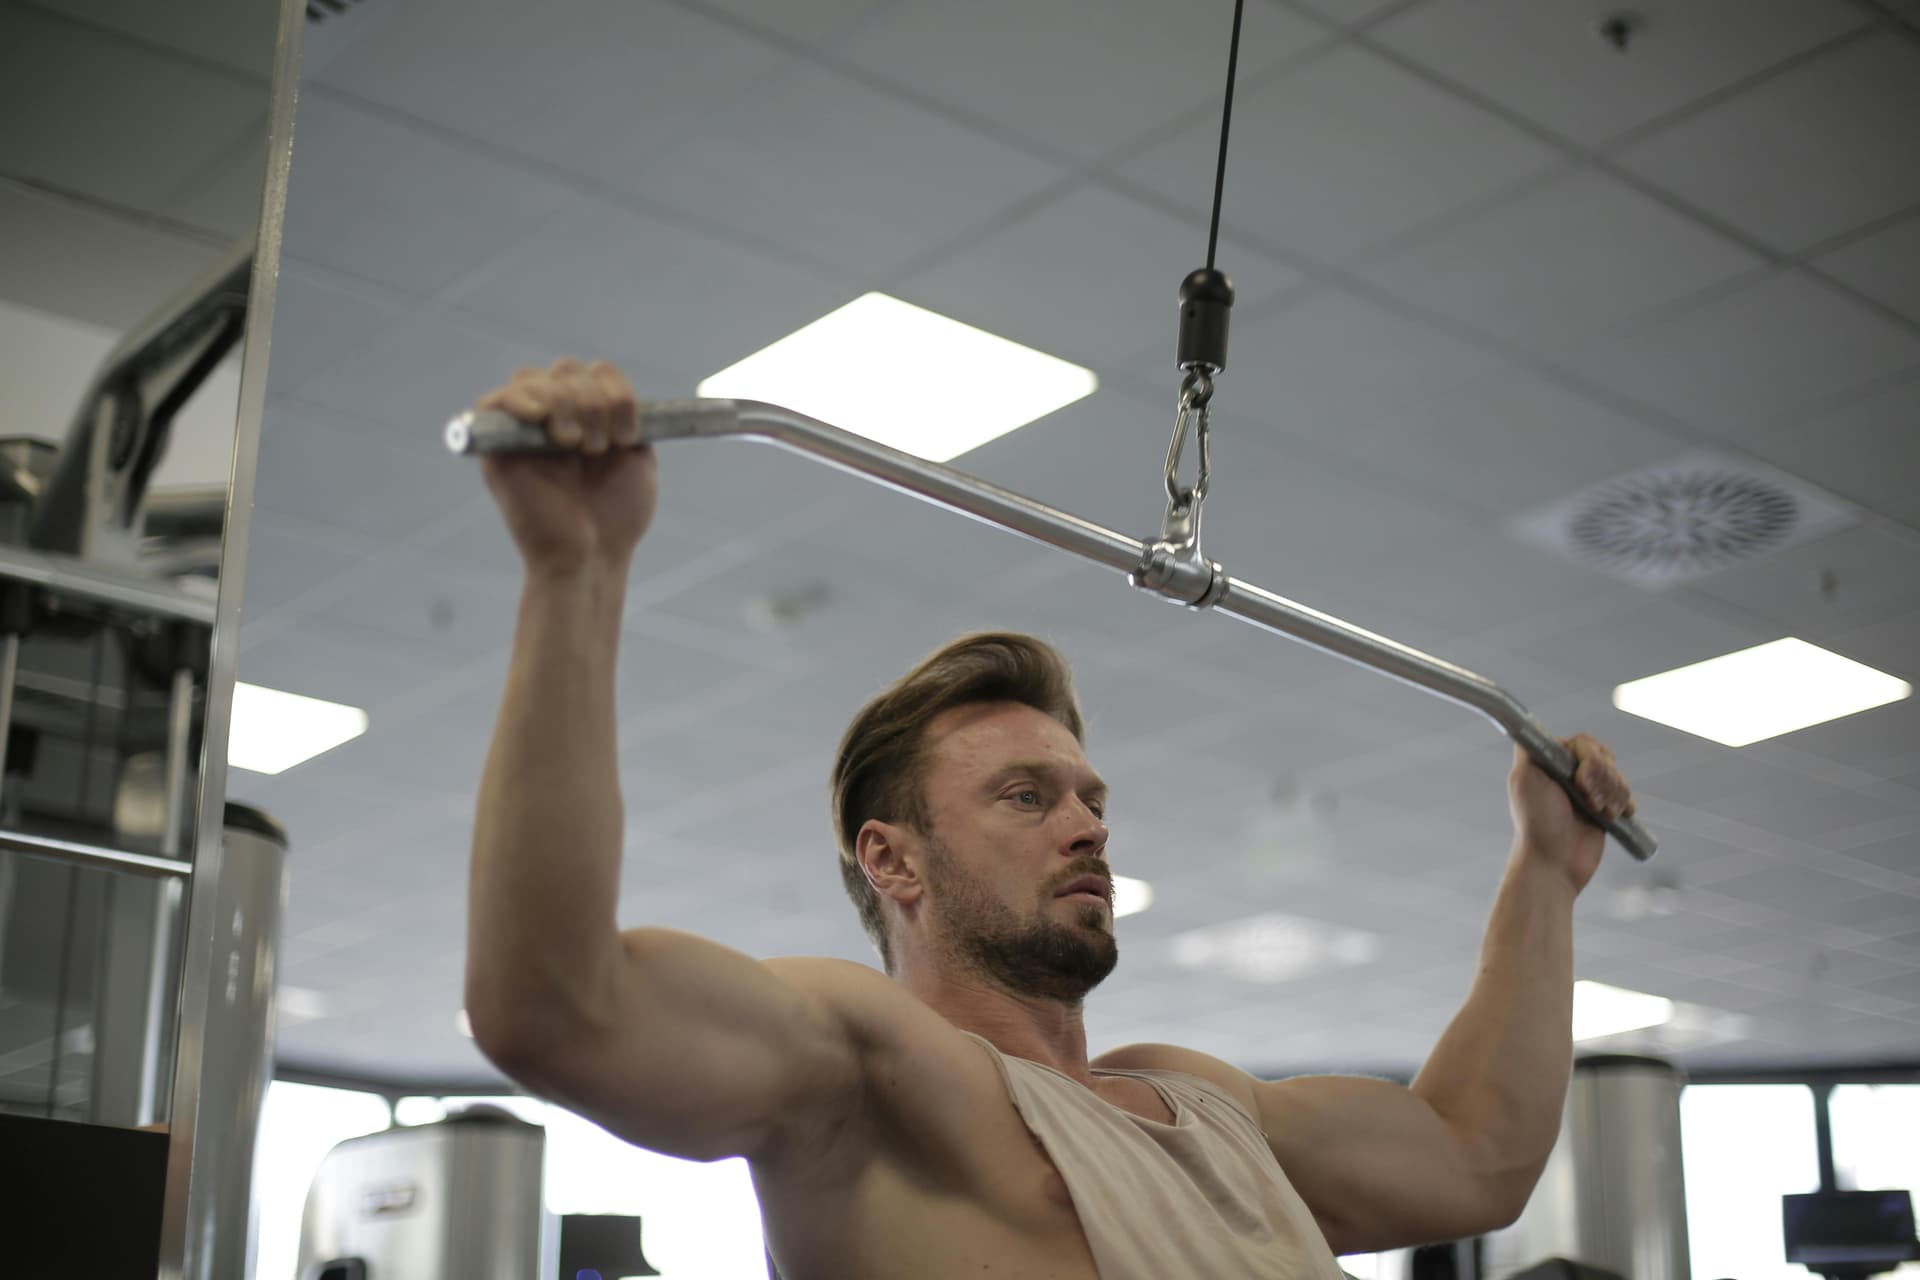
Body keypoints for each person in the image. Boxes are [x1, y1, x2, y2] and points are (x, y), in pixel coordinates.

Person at [465, 358, 1641, 1278]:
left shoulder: (1201, 1102)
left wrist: (1547, 869)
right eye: (1027, 797)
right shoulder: (871, 1069)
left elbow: (1475, 1153)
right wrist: (575, 572)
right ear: (893, 858)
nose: (1086, 827)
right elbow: (556, 1011)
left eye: (1090, 798)